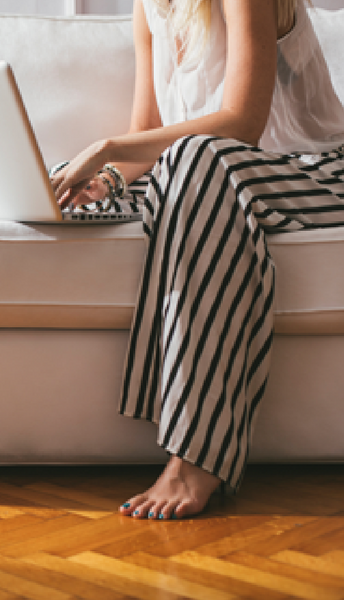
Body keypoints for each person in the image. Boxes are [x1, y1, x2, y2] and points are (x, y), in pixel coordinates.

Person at [49, 0, 344, 520]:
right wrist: (107, 178)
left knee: (196, 158)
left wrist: (108, 145)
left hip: (314, 173)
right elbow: (148, 132)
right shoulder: (150, 6)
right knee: (60, 182)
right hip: (206, 177)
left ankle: (197, 454)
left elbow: (242, 123)